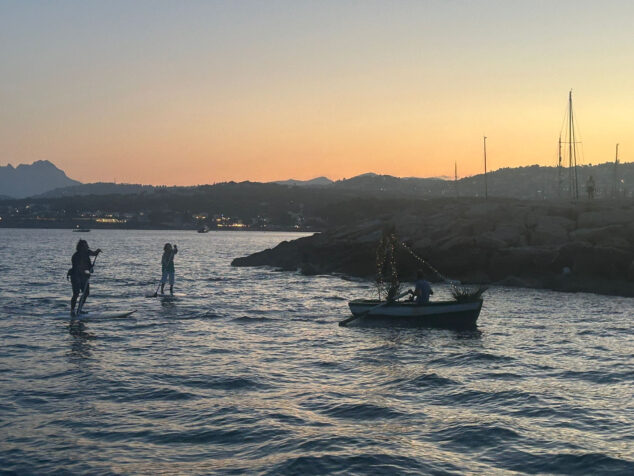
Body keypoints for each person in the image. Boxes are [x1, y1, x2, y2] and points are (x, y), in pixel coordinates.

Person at [67, 239, 101, 316]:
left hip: (83, 276)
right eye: (84, 246)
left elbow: (94, 253)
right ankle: (72, 311)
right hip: (75, 276)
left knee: (86, 293)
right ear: (80, 247)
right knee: (76, 293)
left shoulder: (87, 252)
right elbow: (77, 268)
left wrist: (97, 251)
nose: (86, 248)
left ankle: (79, 309)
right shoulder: (76, 256)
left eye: (86, 246)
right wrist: (86, 273)